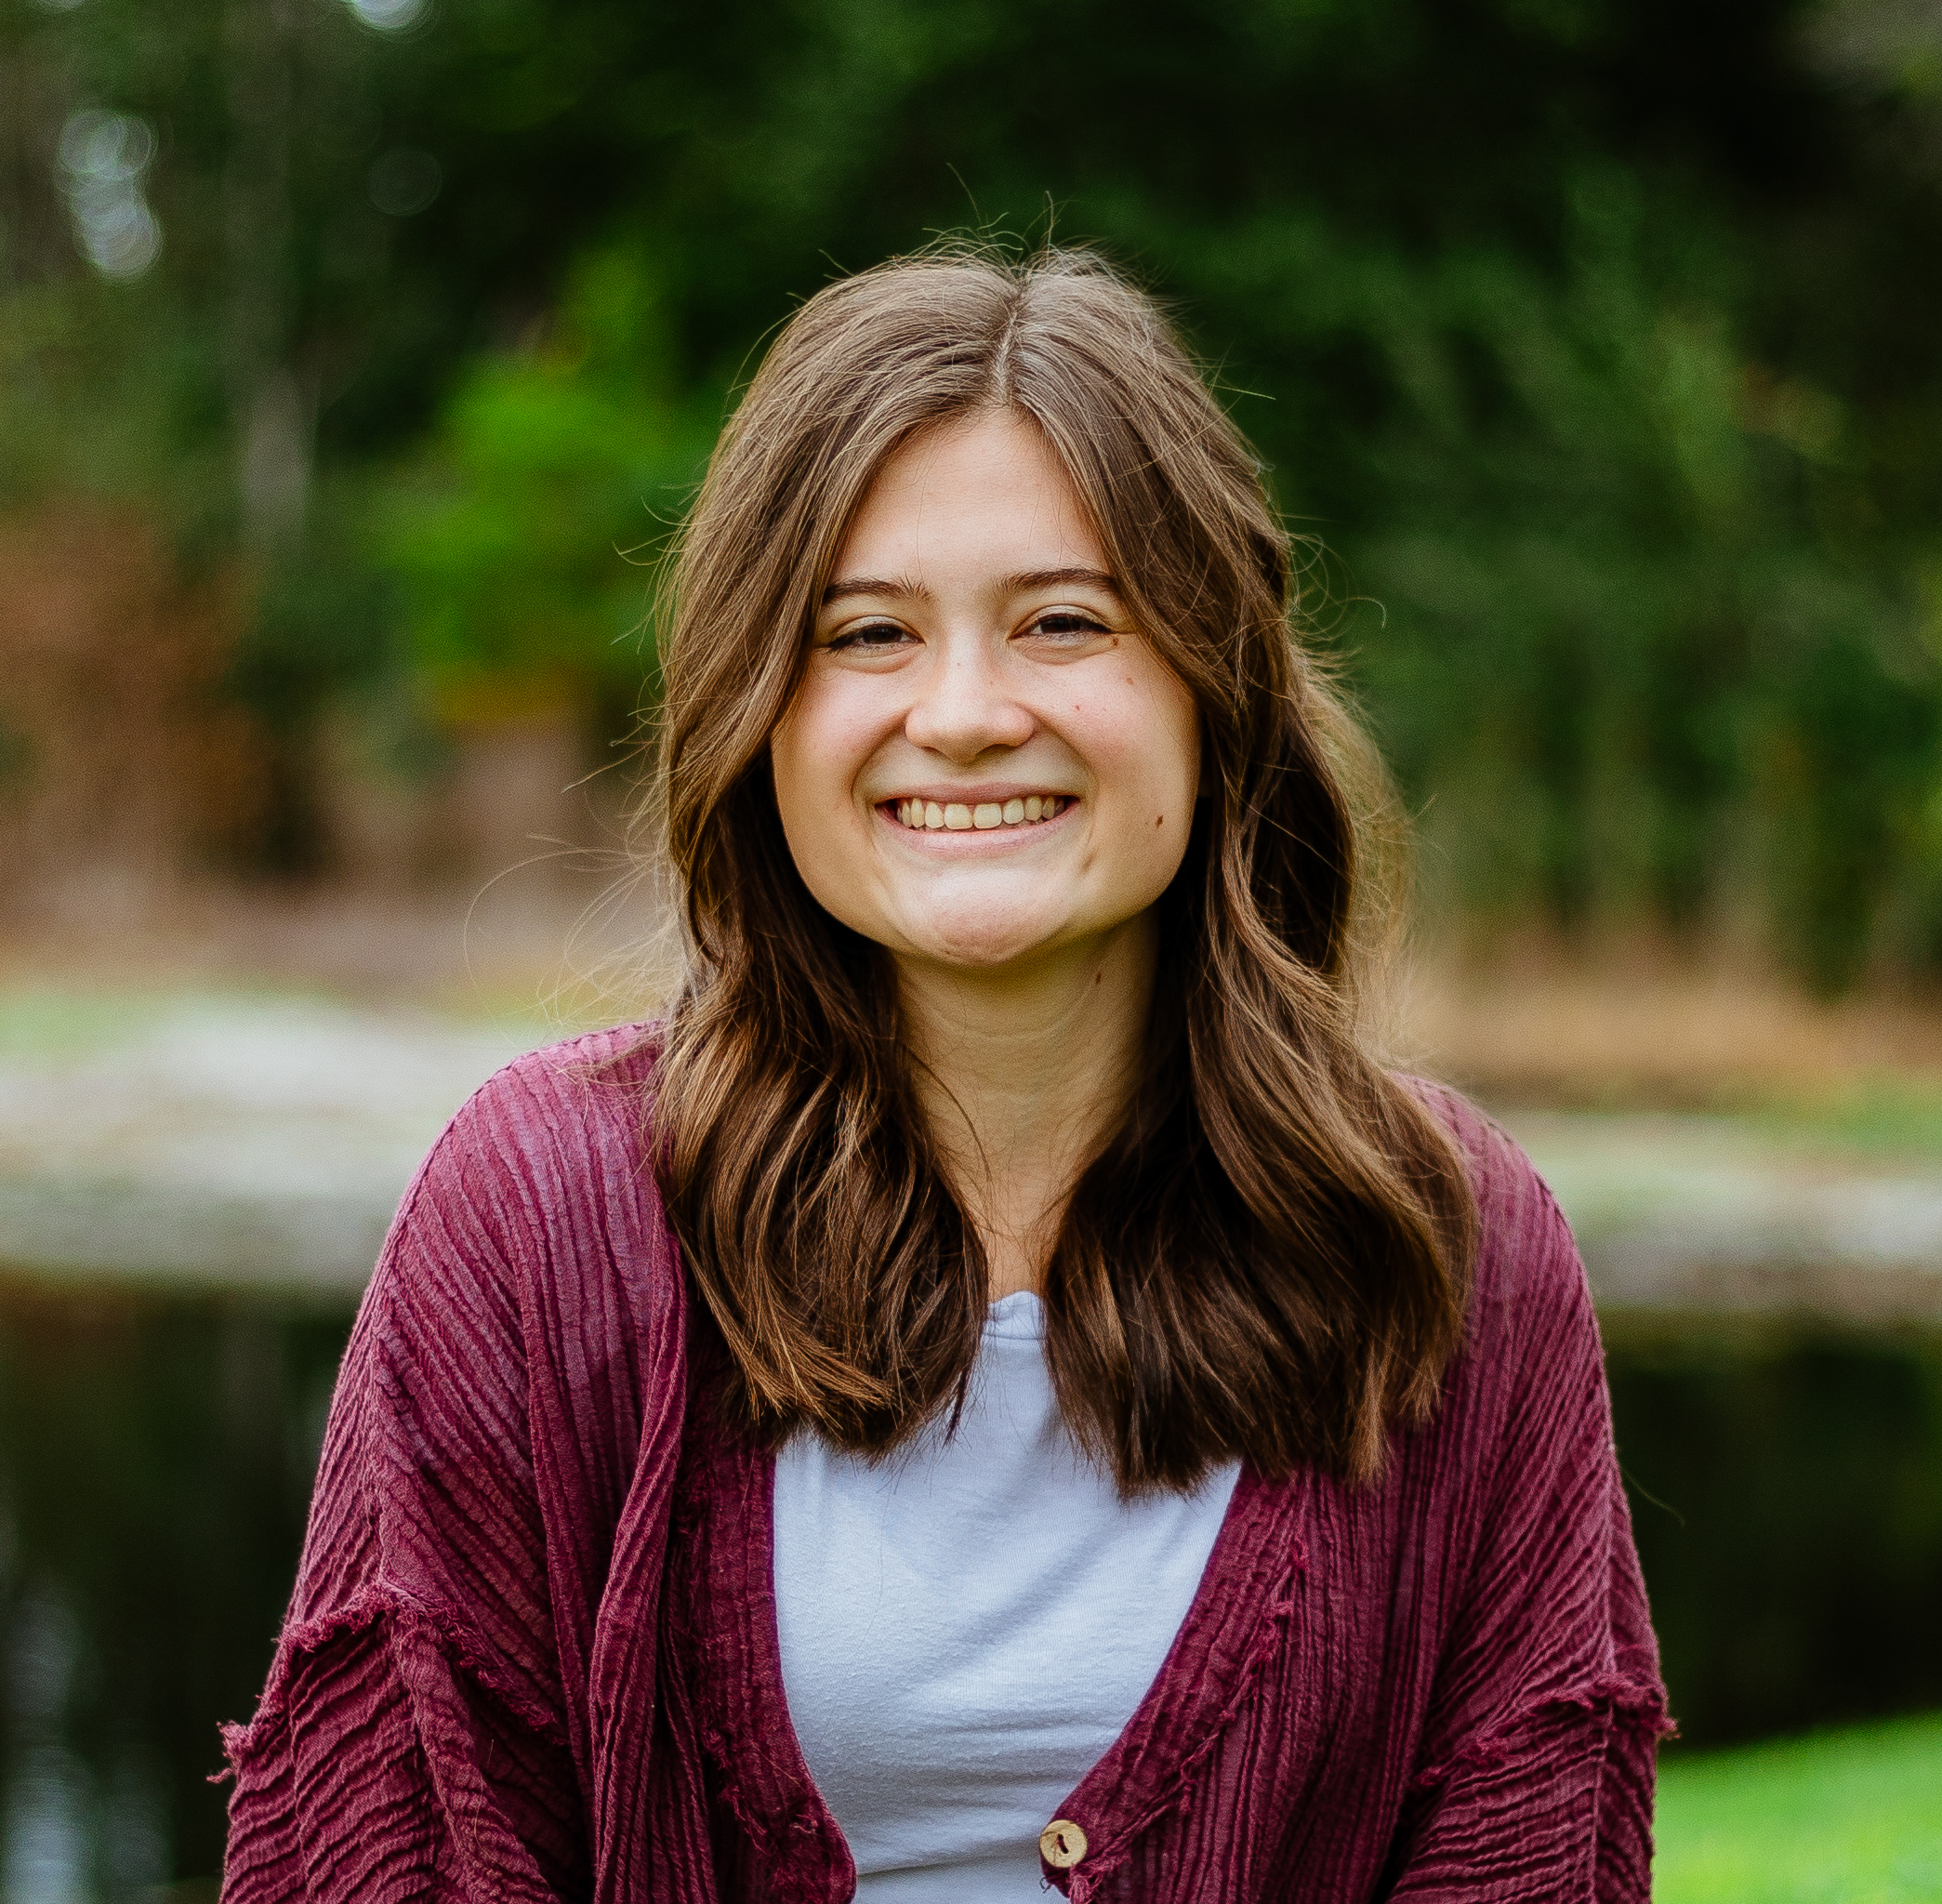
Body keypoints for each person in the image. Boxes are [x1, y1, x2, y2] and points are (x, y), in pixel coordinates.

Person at [218, 245, 1669, 1903]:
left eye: (1063, 622)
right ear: (759, 712)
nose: (965, 713)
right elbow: (384, 1857)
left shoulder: (1446, 1243)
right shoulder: (539, 1219)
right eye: (866, 634)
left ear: (1213, 685)